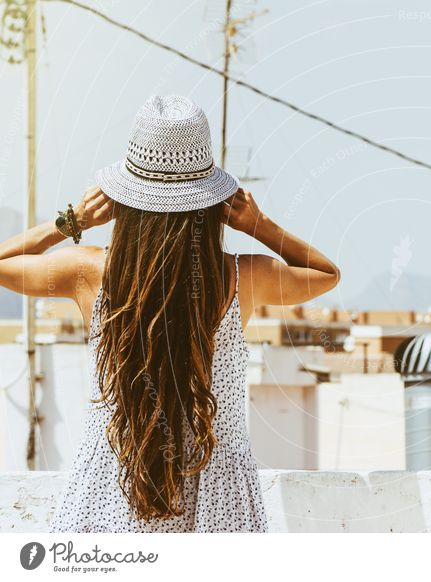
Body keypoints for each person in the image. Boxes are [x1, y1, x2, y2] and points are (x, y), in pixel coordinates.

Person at [0, 95, 340, 532]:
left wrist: (71, 221)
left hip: (112, 491)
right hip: (218, 499)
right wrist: (259, 225)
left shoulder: (89, 272)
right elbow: (325, 273)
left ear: (125, 196)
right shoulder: (239, 278)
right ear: (210, 203)